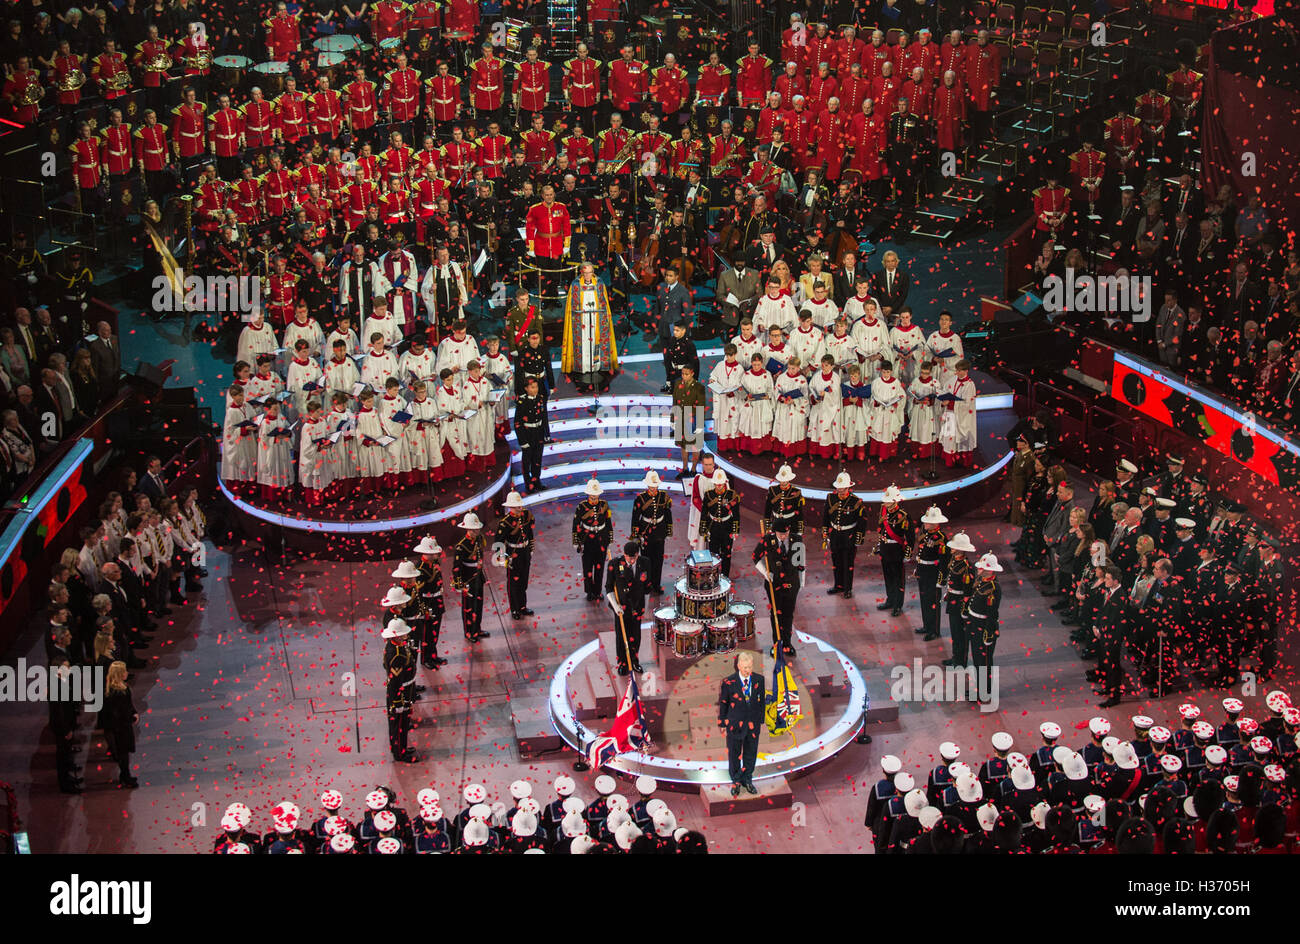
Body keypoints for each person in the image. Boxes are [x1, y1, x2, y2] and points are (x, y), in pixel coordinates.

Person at [561, 262, 619, 392]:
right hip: (581, 320)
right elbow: (572, 305)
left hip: (596, 319)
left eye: (590, 272)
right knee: (584, 342)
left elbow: (603, 302)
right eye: (585, 273)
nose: (587, 275)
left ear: (593, 272)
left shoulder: (599, 283)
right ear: (581, 272)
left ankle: (596, 365)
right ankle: (584, 366)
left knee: (595, 342)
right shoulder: (576, 285)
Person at [717, 652, 765, 797]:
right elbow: (723, 704)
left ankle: (748, 780)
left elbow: (761, 701)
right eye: (744, 667)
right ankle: (736, 781)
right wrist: (722, 724)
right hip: (735, 725)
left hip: (753, 726)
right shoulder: (728, 682)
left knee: (751, 754)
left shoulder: (759, 679)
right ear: (738, 666)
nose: (747, 670)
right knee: (734, 754)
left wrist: (760, 721)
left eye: (749, 667)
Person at [753, 523, 802, 658]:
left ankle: (787, 643)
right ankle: (777, 644)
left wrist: (801, 582)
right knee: (776, 614)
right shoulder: (768, 540)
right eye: (781, 534)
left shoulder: (797, 540)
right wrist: (765, 573)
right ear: (775, 532)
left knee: (788, 614)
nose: (784, 536)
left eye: (786, 533)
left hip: (792, 583)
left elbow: (801, 563)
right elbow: (755, 557)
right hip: (774, 584)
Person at [605, 541, 652, 675]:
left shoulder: (645, 562)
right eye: (628, 557)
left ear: (637, 554)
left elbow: (647, 586)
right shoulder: (614, 564)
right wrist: (616, 606)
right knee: (621, 636)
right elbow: (609, 587)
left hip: (637, 606)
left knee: (635, 635)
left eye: (633, 557)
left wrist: (645, 606)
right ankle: (623, 663)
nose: (630, 560)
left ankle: (634, 661)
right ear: (624, 554)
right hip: (621, 607)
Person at [822, 472, 866, 598]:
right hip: (835, 534)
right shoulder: (831, 498)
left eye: (843, 488)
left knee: (848, 563)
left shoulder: (856, 501)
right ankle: (838, 585)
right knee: (836, 561)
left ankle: (847, 588)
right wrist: (825, 533)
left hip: (849, 535)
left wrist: (859, 537)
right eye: (838, 488)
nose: (840, 491)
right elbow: (826, 516)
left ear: (848, 488)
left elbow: (862, 521)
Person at [493, 491, 535, 620]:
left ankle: (522, 606)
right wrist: (504, 557)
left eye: (520, 505)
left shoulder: (527, 515)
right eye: (517, 506)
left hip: (525, 551)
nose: (520, 508)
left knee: (523, 580)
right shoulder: (505, 523)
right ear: (510, 507)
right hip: (513, 553)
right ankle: (515, 609)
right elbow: (498, 542)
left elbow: (530, 532)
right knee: (513, 583)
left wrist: (531, 548)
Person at [965, 554, 1002, 699]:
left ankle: (985, 692)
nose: (978, 569)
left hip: (983, 627)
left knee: (984, 662)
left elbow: (992, 613)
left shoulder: (993, 588)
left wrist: (989, 633)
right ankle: (979, 689)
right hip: (975, 623)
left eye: (982, 567)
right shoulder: (982, 581)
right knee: (976, 659)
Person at [382, 618, 419, 762]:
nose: (406, 636)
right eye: (403, 634)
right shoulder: (396, 654)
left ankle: (400, 747)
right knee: (399, 725)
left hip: (405, 689)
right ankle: (400, 753)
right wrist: (398, 702)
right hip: (400, 694)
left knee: (402, 723)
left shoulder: (395, 647)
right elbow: (395, 681)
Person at [630, 471, 673, 593]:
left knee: (658, 560)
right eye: (651, 485)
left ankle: (656, 584)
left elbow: (668, 514)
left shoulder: (664, 497)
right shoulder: (640, 499)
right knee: (645, 560)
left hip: (660, 531)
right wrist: (635, 535)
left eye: (655, 485)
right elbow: (635, 517)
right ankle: (646, 584)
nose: (653, 488)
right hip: (646, 532)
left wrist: (669, 531)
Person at [99, 660, 139, 787]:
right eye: (124, 671)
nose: (127, 673)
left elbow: (128, 705)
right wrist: (131, 717)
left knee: (123, 752)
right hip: (121, 726)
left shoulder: (116, 689)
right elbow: (120, 711)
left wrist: (133, 712)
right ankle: (125, 776)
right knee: (123, 752)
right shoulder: (116, 692)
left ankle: (125, 775)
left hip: (120, 725)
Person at [572, 478, 613, 602]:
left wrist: (609, 539)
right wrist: (576, 541)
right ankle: (589, 591)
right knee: (588, 567)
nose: (594, 498)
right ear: (588, 494)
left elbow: (608, 522)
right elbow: (576, 524)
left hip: (601, 539)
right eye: (592, 496)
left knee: (599, 567)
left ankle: (598, 591)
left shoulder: (604, 505)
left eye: (596, 496)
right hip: (587, 540)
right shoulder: (581, 507)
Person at [876, 485, 914, 616]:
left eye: (887, 501)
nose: (884, 503)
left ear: (894, 501)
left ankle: (898, 604)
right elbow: (881, 530)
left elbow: (910, 537)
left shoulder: (903, 516)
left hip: (897, 551)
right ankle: (890, 600)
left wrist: (908, 553)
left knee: (898, 579)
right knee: (888, 577)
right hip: (885, 549)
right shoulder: (883, 512)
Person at [914, 506, 950, 641]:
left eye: (928, 522)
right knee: (924, 600)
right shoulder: (926, 535)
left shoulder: (940, 538)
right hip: (923, 570)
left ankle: (934, 630)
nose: (925, 524)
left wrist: (941, 579)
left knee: (933, 602)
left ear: (935, 523)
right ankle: (926, 625)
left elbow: (944, 561)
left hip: (933, 573)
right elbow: (921, 553)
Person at [941, 533, 977, 667]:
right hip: (953, 600)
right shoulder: (955, 561)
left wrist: (964, 609)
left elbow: (968, 592)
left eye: (954, 547)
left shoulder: (967, 567)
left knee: (961, 635)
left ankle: (961, 661)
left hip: (960, 603)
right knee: (955, 633)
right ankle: (956, 657)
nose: (951, 548)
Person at [452, 513, 490, 643]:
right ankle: (469, 632)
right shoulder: (461, 546)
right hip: (468, 579)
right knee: (469, 608)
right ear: (468, 529)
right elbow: (457, 567)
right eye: (474, 529)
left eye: (478, 529)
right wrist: (459, 583)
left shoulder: (479, 539)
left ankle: (477, 628)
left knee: (478, 605)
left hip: (478, 577)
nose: (477, 531)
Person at [700, 469, 741, 576]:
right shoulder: (708, 495)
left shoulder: (732, 495)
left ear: (724, 483)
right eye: (717, 484)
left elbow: (736, 514)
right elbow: (704, 512)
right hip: (713, 527)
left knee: (726, 554)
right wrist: (703, 529)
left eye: (721, 484)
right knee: (713, 554)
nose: (719, 486)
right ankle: (714, 576)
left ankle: (725, 576)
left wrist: (735, 530)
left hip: (727, 527)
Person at [938, 359, 977, 467]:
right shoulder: (953, 379)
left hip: (961, 416)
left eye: (960, 371)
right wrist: (943, 399)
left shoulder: (970, 385)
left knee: (961, 438)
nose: (958, 373)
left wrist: (950, 402)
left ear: (966, 371)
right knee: (949, 437)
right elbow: (945, 390)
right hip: (950, 414)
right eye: (957, 370)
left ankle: (962, 461)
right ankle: (950, 461)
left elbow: (967, 404)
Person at [672, 361, 706, 478]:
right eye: (682, 374)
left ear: (692, 374)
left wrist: (699, 425)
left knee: (694, 446)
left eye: (686, 374)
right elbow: (675, 402)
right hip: (681, 418)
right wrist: (673, 419)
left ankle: (693, 470)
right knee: (683, 445)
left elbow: (701, 407)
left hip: (694, 419)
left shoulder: (699, 387)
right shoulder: (677, 384)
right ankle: (685, 469)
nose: (684, 376)